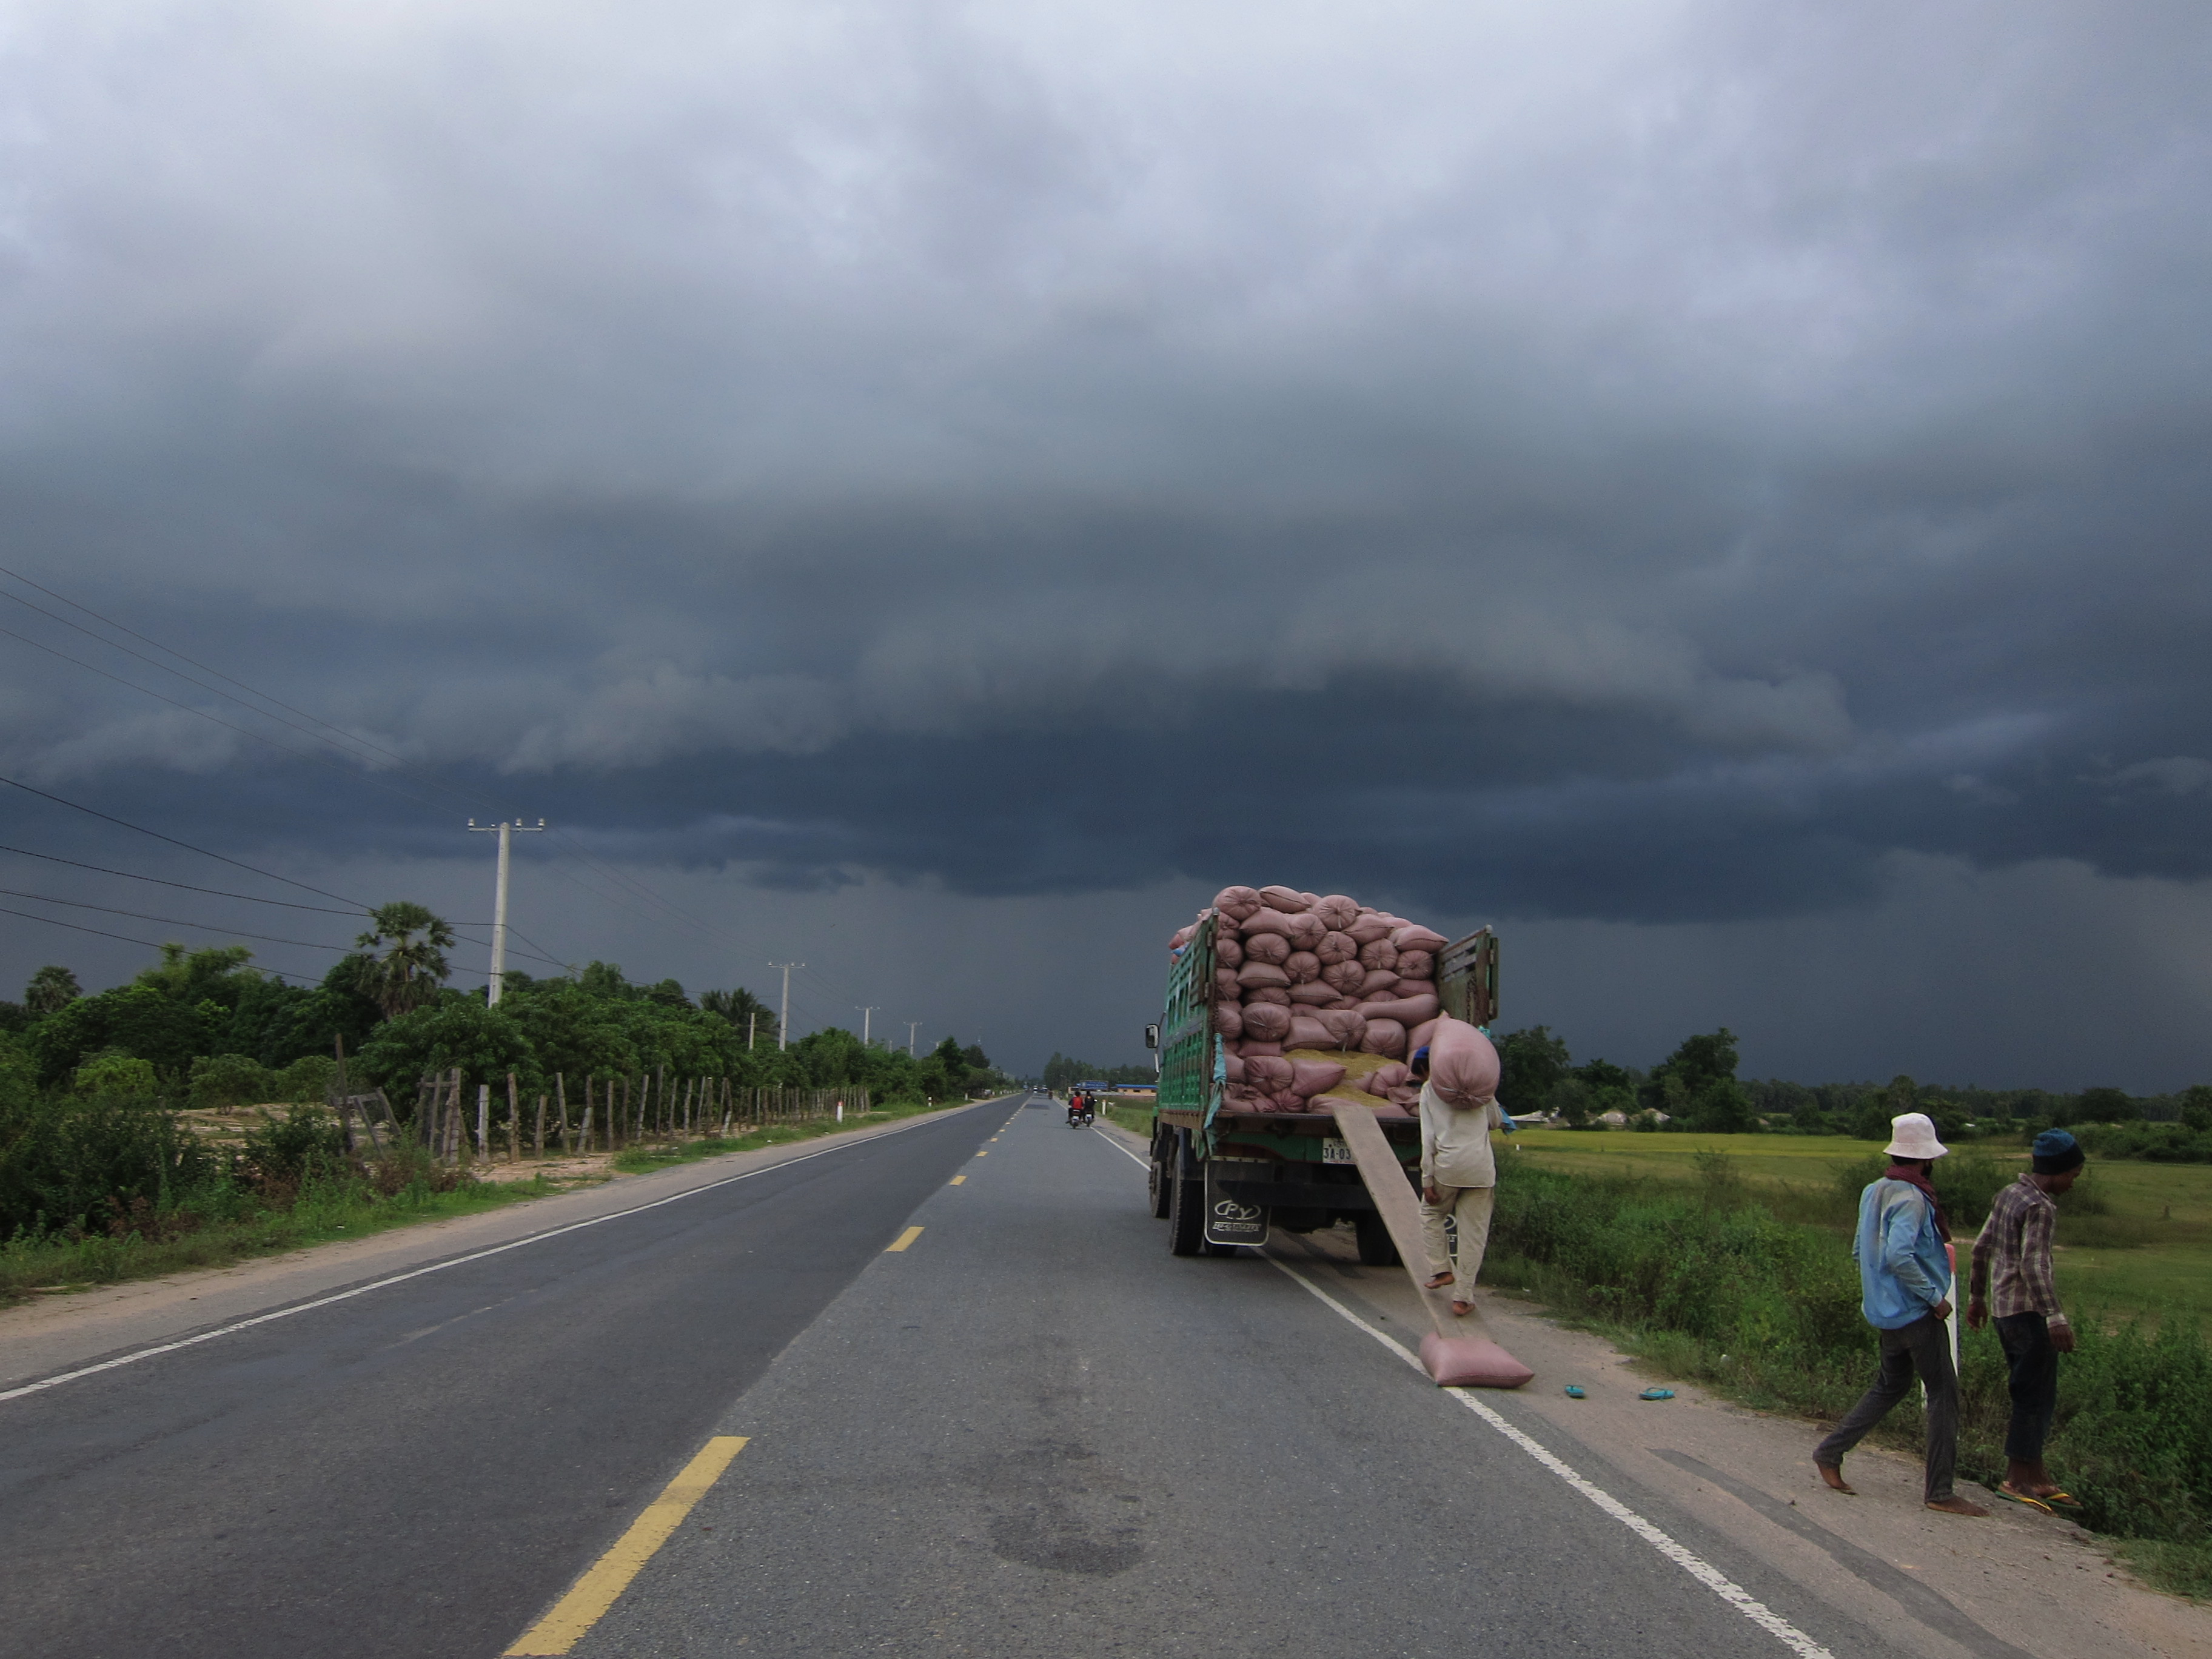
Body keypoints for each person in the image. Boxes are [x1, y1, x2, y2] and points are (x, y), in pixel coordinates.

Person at [1812, 1113, 1985, 1515]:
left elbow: (1862, 1251)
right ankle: (1940, 1491)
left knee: (1890, 1386)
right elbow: (1900, 1255)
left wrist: (1880, 1293)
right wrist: (1934, 1298)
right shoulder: (1912, 1198)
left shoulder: (1874, 1190)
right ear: (1926, 1160)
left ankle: (1830, 1452)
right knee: (1943, 1393)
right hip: (1915, 1313)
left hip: (1884, 1312)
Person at [1966, 1128, 2086, 1513]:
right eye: (2073, 1175)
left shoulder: (2008, 1194)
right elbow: (2033, 1265)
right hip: (2028, 1313)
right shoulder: (2040, 1207)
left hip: (2003, 1311)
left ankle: (2037, 1475)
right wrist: (2055, 1316)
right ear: (2057, 1171)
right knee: (2032, 1397)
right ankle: (2016, 1479)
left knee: (2035, 1391)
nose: (2073, 1183)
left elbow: (1982, 1244)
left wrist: (1976, 1297)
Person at [1412, 1044, 1510, 1318]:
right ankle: (1463, 1299)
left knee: (1431, 1213)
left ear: (1425, 1068)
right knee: (1473, 1236)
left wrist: (1427, 1180)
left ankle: (1442, 1270)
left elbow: (1428, 1139)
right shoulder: (1481, 1087)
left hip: (1449, 1167)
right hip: (1481, 1170)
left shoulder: (1430, 1090)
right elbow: (1495, 1121)